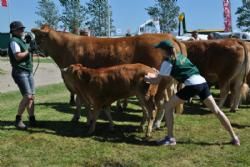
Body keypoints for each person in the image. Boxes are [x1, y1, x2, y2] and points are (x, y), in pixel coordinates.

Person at [144, 40, 240, 146]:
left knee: (167, 107)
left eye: (159, 49)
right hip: (202, 83)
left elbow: (156, 81)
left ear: (163, 50)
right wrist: (158, 73)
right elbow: (170, 73)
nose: (158, 51)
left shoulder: (167, 62)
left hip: (192, 86)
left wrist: (146, 78)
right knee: (217, 111)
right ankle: (234, 137)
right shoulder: (180, 56)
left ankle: (170, 138)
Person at [8, 21, 36, 129]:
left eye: (22, 29)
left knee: (32, 97)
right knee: (27, 96)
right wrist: (29, 50)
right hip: (20, 72)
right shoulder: (14, 41)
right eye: (20, 29)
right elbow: (18, 56)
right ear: (13, 31)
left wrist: (29, 45)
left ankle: (32, 119)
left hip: (28, 71)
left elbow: (26, 51)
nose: (22, 30)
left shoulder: (21, 41)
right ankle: (18, 119)